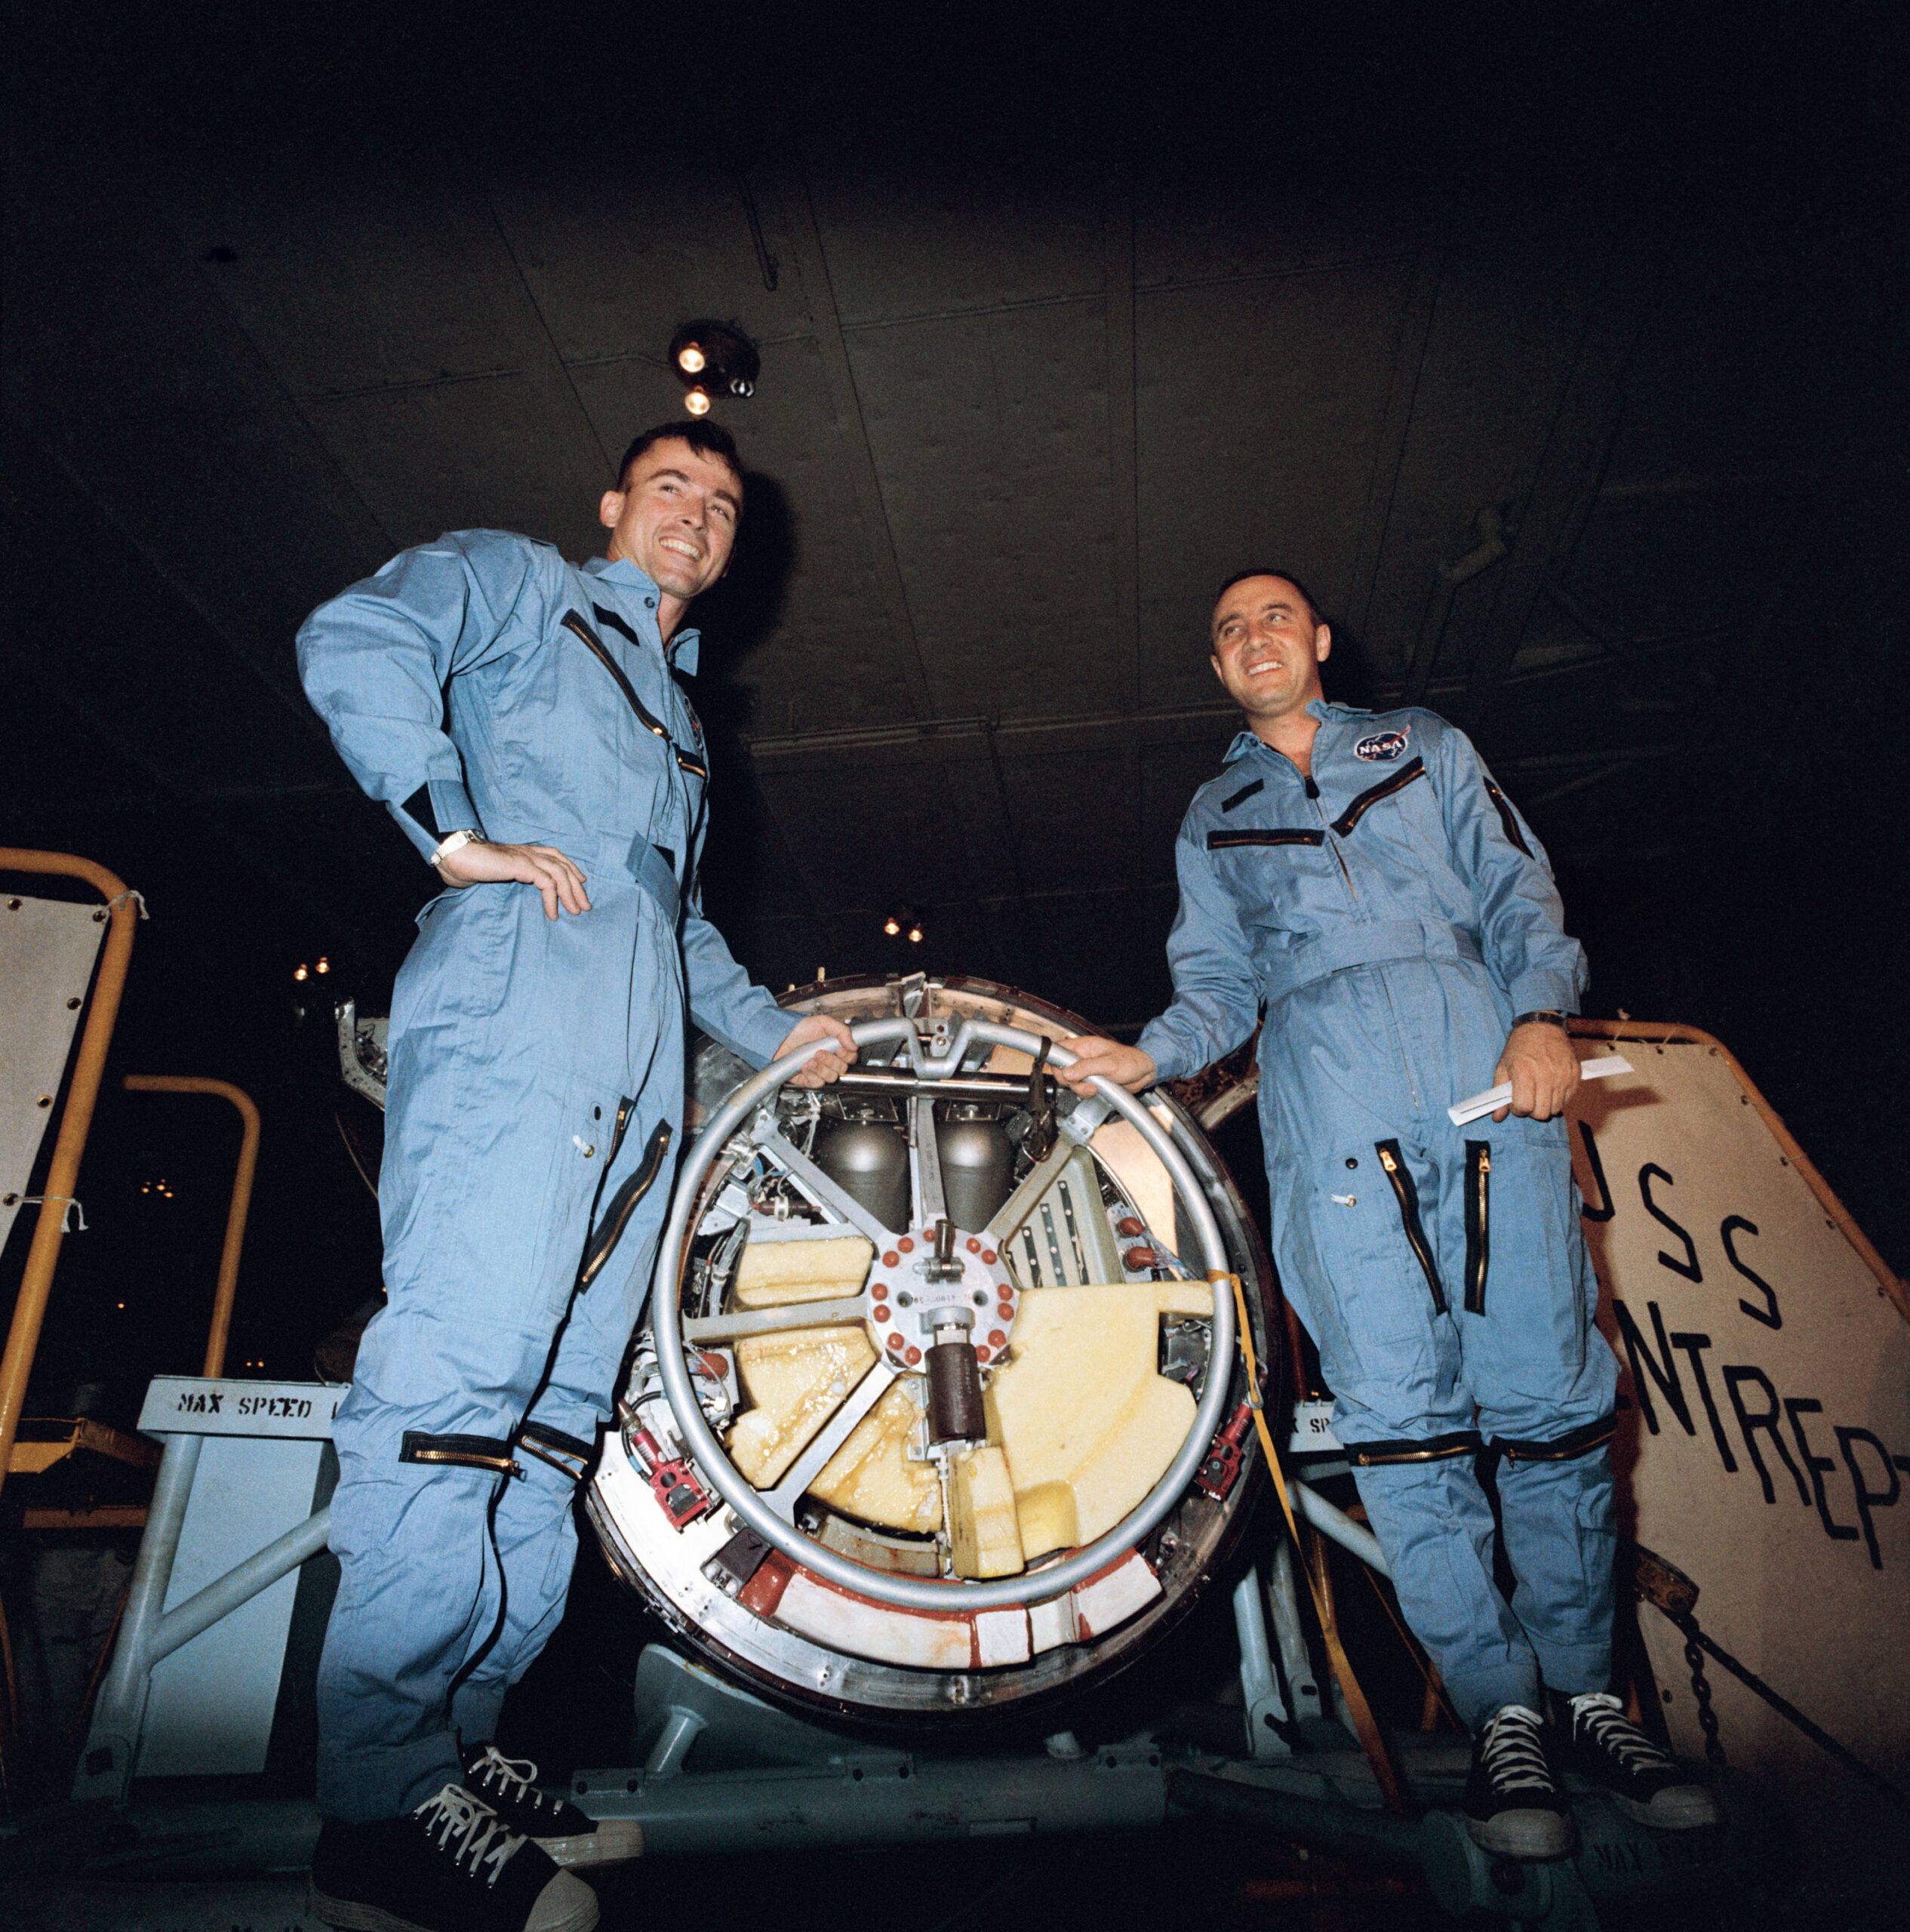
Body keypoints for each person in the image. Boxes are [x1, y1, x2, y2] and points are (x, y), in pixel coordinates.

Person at [1060, 571, 1719, 1857]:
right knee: (1399, 1417)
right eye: (1227, 630)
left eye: (1272, 619)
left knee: (1546, 1395)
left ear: (1317, 641)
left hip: (1479, 1057)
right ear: (1220, 667)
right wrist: (1154, 1053)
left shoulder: (1419, 746)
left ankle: (1588, 1698)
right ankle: (1501, 1722)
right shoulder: (1214, 814)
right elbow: (1214, 983)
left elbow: (1517, 886)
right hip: (1325, 1088)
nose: (1253, 639)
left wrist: (1538, 1013)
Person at [296, 420, 855, 1932]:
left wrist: (778, 1033)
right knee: (455, 1389)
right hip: (511, 1029)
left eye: (725, 505)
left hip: (637, 1075)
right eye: (673, 487)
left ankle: (457, 1746)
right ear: (615, 504)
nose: (699, 516)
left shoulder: (680, 722)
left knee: (547, 1429)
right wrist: (448, 826)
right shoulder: (521, 588)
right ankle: (375, 1800)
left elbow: (671, 929)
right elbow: (353, 633)